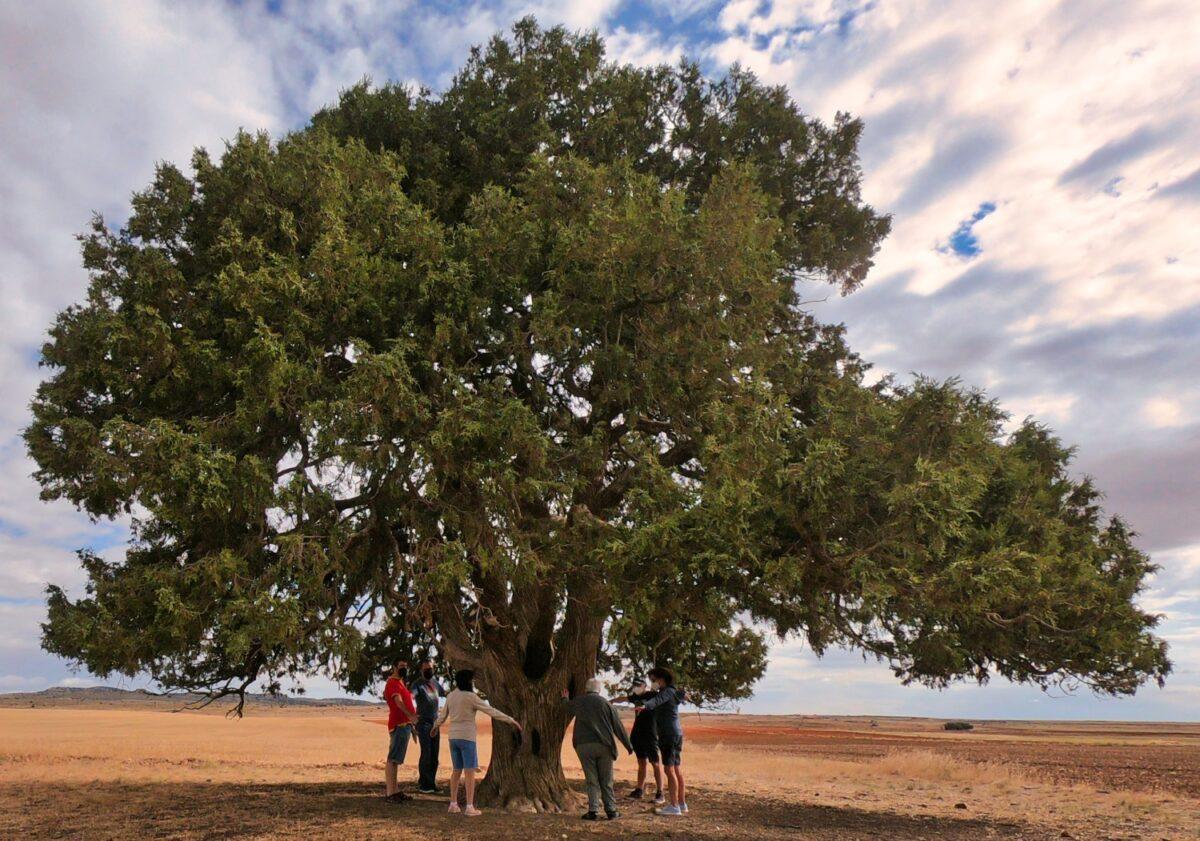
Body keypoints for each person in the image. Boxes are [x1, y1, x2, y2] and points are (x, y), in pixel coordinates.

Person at [431, 669, 522, 817]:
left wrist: (435, 727)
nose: (473, 683)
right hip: (467, 738)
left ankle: (453, 804)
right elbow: (491, 711)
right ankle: (469, 806)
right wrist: (511, 720)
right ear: (468, 681)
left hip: (453, 738)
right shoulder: (471, 697)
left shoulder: (451, 696)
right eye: (472, 680)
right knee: (469, 771)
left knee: (456, 771)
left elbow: (442, 716)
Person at [563, 678, 634, 821]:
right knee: (606, 779)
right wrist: (628, 745)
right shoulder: (606, 704)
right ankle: (611, 811)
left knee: (591, 779)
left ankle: (593, 811)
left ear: (586, 689)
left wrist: (564, 698)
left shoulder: (579, 701)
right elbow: (618, 727)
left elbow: (566, 707)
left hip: (583, 745)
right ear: (599, 690)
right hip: (604, 746)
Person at [638, 667, 688, 816]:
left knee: (669, 770)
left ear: (661, 679)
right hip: (676, 733)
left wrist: (645, 706)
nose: (653, 683)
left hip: (669, 735)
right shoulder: (673, 691)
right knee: (676, 769)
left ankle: (674, 806)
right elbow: (679, 696)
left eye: (654, 680)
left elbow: (658, 700)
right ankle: (682, 803)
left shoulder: (666, 692)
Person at [383, 658, 417, 804]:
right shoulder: (393, 683)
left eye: (405, 666)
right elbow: (398, 702)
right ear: (394, 667)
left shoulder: (401, 683)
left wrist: (411, 724)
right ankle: (391, 792)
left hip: (405, 725)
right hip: (399, 724)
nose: (404, 668)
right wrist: (410, 715)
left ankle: (395, 790)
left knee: (396, 760)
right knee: (392, 759)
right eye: (401, 666)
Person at [625, 679, 665, 805]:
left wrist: (656, 687)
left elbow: (664, 695)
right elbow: (624, 698)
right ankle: (639, 789)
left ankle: (660, 792)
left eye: (638, 685)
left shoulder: (653, 696)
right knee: (641, 762)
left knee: (655, 763)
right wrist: (611, 701)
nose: (636, 688)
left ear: (644, 686)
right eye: (634, 685)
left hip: (650, 733)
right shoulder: (635, 697)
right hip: (637, 734)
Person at [408, 658, 444, 794]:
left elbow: (444, 693)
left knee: (435, 754)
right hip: (423, 723)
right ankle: (424, 784)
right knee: (426, 753)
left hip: (435, 723)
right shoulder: (417, 684)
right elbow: (411, 696)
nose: (429, 671)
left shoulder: (435, 682)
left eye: (431, 668)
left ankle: (432, 783)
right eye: (426, 669)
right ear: (421, 670)